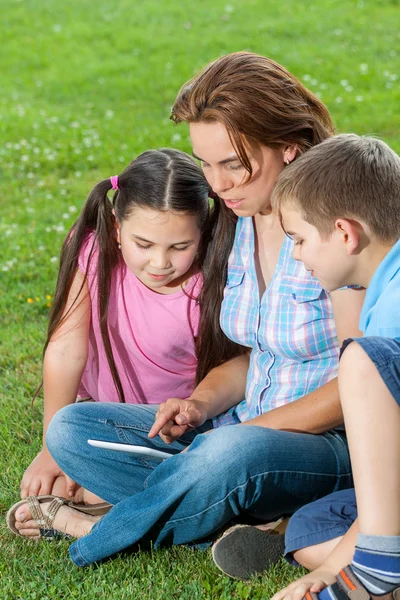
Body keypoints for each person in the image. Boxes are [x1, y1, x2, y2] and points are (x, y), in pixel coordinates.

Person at [8, 53, 361, 569]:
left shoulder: (331, 229)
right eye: (206, 165)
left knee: (226, 456)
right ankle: (254, 522)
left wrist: (253, 433)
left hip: (323, 447)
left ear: (288, 148)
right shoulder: (236, 224)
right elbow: (254, 358)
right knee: (71, 431)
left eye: (234, 164)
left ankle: (97, 528)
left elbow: (363, 379)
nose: (217, 185)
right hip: (238, 436)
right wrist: (197, 405)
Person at [16, 148, 243, 508]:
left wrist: (191, 408)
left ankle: (125, 502)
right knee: (57, 486)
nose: (160, 262)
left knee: (85, 492)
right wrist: (50, 449)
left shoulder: (209, 281)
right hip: (101, 417)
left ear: (202, 235)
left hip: (169, 431)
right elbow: (66, 349)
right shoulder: (93, 250)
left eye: (180, 246)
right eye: (144, 244)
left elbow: (239, 367)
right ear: (118, 228)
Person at [268, 133, 400, 600]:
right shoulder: (382, 297)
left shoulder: (394, 309)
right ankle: (379, 564)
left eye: (299, 240)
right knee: (308, 530)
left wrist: (340, 568)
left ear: (345, 233)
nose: (297, 255)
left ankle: (379, 570)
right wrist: (327, 571)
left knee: (361, 359)